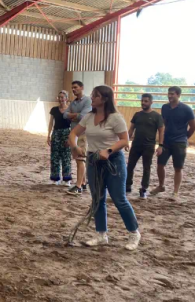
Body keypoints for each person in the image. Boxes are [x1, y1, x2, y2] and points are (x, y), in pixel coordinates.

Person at [68, 85, 140, 250]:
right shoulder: (88, 117)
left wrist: (108, 150)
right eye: (93, 96)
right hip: (94, 160)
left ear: (105, 99)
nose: (92, 99)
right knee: (97, 199)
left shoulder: (115, 118)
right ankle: (101, 234)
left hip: (113, 160)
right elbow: (73, 134)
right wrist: (75, 147)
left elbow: (124, 140)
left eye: (96, 96)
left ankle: (134, 233)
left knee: (119, 198)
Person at [151, 86, 195, 201]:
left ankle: (175, 192)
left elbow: (193, 126)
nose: (170, 96)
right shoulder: (165, 107)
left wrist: (185, 137)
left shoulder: (186, 109)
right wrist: (161, 140)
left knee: (178, 167)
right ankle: (161, 185)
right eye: (169, 93)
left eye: (172, 94)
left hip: (179, 142)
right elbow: (163, 123)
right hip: (166, 141)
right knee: (160, 165)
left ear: (178, 95)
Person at [126, 93, 164, 199]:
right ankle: (127, 185)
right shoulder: (137, 115)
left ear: (151, 102)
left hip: (148, 146)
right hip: (136, 145)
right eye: (142, 101)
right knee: (130, 165)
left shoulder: (157, 116)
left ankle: (143, 188)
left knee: (146, 167)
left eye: (146, 101)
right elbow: (131, 129)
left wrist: (160, 145)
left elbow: (161, 131)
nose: (143, 103)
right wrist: (126, 141)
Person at [64, 81, 92, 196]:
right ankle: (84, 182)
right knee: (78, 159)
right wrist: (75, 115)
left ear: (82, 87)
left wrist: (73, 115)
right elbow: (65, 115)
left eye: (75, 87)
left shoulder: (87, 101)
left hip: (83, 134)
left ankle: (78, 186)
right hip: (74, 133)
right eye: (72, 88)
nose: (73, 90)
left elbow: (83, 116)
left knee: (80, 159)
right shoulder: (73, 102)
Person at [47, 91, 72, 185]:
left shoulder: (70, 109)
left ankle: (67, 178)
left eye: (62, 97)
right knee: (55, 156)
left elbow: (73, 124)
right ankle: (55, 178)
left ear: (66, 98)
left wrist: (70, 137)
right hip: (56, 133)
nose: (61, 99)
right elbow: (51, 123)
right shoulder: (54, 109)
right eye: (59, 97)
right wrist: (49, 135)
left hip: (67, 133)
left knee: (66, 156)